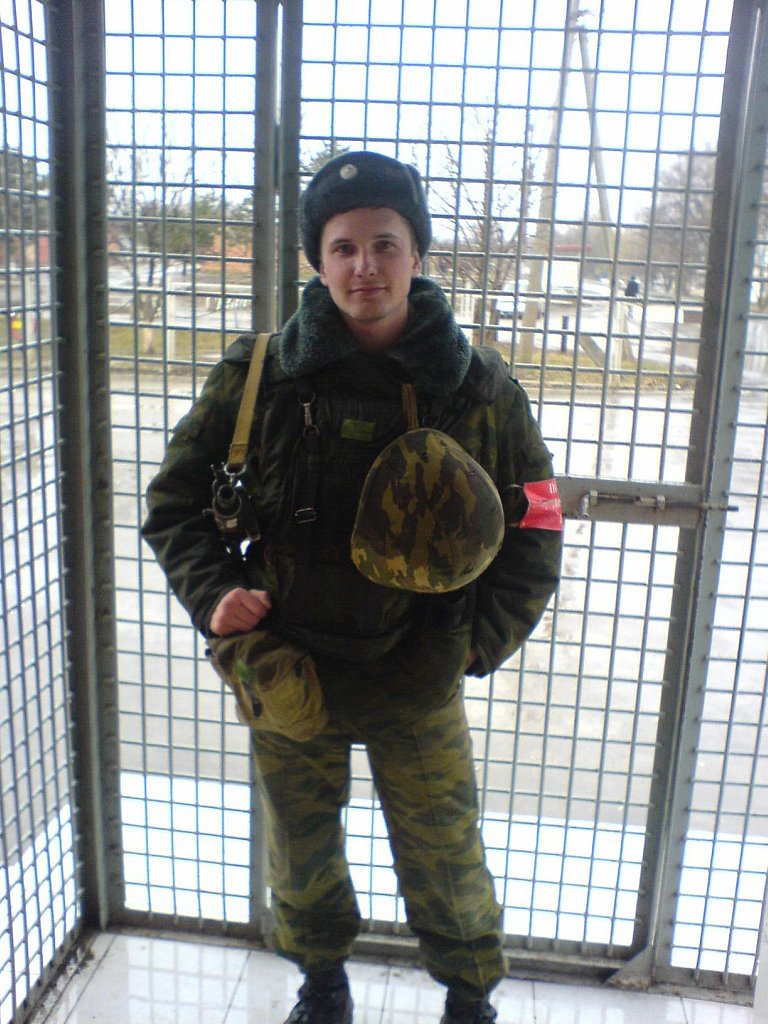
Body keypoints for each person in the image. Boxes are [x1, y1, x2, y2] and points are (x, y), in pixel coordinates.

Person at [142, 151, 563, 1024]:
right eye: (342, 247)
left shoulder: (476, 386)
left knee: (445, 854)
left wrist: (480, 641)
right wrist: (213, 595)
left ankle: (470, 997)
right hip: (289, 664)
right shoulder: (261, 375)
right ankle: (322, 985)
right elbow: (175, 501)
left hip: (420, 667)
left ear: (417, 255)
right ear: (317, 260)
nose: (364, 266)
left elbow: (536, 520)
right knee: (301, 852)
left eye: (384, 244)